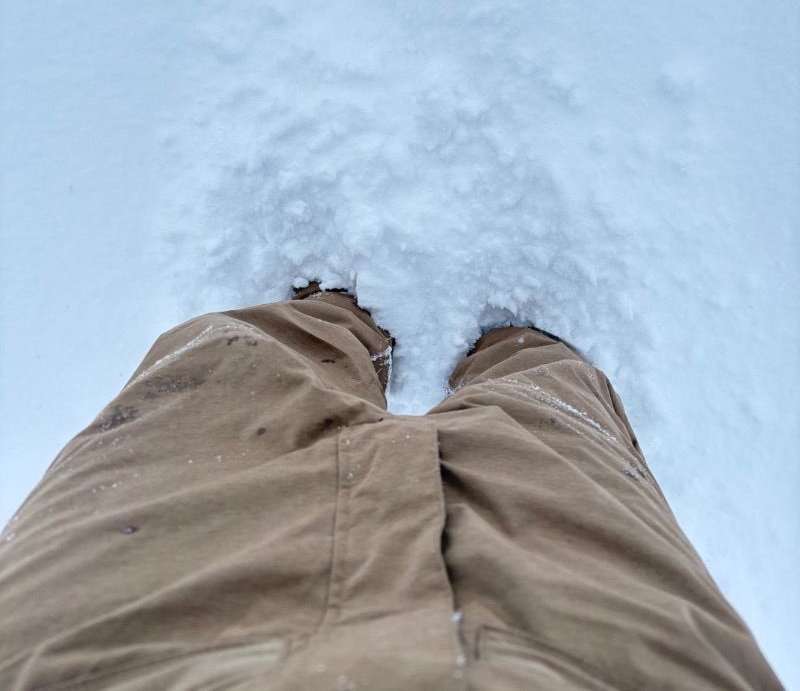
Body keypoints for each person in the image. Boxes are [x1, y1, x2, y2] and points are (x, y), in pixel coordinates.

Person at [0, 283, 783, 691]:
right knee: (548, 445)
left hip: (93, 652)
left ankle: (333, 317)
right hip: (608, 671)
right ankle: (521, 349)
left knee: (219, 391)